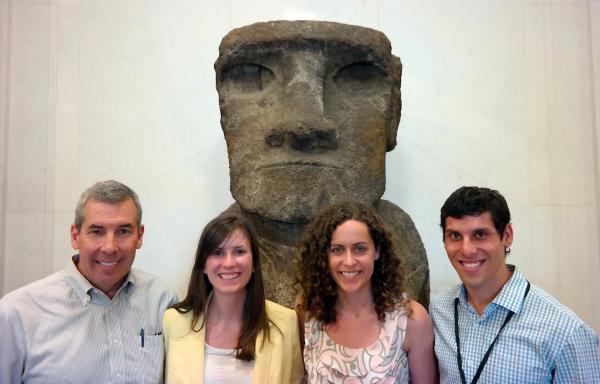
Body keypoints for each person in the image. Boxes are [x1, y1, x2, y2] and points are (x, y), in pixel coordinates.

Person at [214, 20, 429, 307]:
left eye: (357, 77)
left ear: (394, 112)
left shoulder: (402, 247)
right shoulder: (219, 251)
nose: (303, 124)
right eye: (253, 76)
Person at [0, 180, 177, 383]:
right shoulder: (18, 313)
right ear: (75, 236)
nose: (110, 247)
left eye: (123, 231)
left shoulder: (163, 301)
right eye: (97, 231)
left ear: (139, 236)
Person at [431, 186, 600, 383]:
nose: (467, 249)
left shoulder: (566, 332)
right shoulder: (439, 310)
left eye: (480, 234)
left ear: (507, 236)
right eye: (455, 236)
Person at [294, 203, 437, 383]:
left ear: (376, 251)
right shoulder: (308, 311)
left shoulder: (411, 319)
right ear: (324, 256)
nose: (349, 261)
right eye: (337, 250)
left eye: (360, 249)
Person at [162, 214, 304, 383]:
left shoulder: (285, 323)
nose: (228, 263)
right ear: (204, 266)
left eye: (239, 252)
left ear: (254, 264)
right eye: (218, 252)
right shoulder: (173, 322)